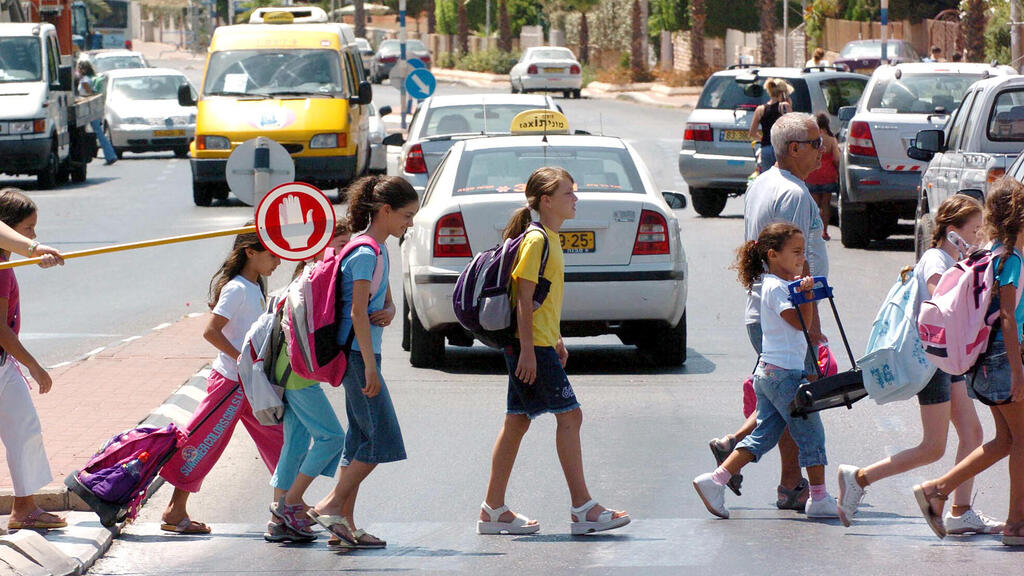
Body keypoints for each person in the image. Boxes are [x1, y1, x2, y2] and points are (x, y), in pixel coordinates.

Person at [476, 167, 630, 537]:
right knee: (570, 416)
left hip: (540, 343)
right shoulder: (536, 240)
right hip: (530, 346)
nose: (575, 199)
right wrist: (529, 350)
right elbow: (523, 300)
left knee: (517, 422)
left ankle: (492, 511)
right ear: (546, 200)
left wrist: (556, 337)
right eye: (568, 193)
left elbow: (543, 299)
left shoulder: (550, 238)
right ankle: (583, 509)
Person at [836, 195, 1002, 534]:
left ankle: (960, 510)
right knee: (933, 447)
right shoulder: (935, 259)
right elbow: (942, 303)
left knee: (972, 433)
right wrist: (971, 270)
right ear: (953, 231)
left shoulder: (951, 258)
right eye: (974, 229)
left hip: (947, 360)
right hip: (931, 362)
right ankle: (859, 478)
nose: (980, 235)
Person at [709, 112, 829, 508]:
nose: (823, 151)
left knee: (781, 409)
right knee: (799, 407)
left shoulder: (763, 182)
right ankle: (791, 485)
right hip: (785, 313)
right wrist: (811, 325)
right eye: (816, 144)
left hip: (766, 309)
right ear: (794, 148)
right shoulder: (794, 193)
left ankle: (734, 463)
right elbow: (795, 261)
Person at [694, 223, 838, 519]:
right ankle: (820, 497)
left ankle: (716, 480)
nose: (801, 259)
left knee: (764, 435)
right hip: (783, 375)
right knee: (811, 434)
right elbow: (801, 324)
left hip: (772, 373)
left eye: (802, 252)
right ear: (773, 255)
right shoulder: (775, 287)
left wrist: (801, 291)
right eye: (795, 252)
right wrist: (807, 296)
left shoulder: (780, 285)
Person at [306, 176, 418, 549]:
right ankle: (330, 505)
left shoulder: (378, 250)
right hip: (358, 356)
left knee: (358, 440)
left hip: (365, 352)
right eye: (406, 215)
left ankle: (344, 527)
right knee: (381, 439)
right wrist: (370, 367)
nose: (411, 223)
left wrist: (388, 309)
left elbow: (378, 304)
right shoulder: (366, 252)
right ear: (385, 211)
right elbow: (355, 312)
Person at [913, 178, 1024, 546]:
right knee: (1021, 440)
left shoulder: (993, 250)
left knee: (1006, 440)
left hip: (987, 360)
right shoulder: (1011, 258)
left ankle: (938, 489)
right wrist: (1018, 371)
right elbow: (1006, 316)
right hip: (1002, 361)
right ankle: (1016, 525)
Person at [158, 229, 284, 534]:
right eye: (272, 254)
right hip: (230, 384)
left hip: (249, 385)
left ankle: (289, 506)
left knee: (280, 441)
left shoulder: (254, 287)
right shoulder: (237, 289)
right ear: (250, 252)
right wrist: (243, 358)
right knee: (203, 443)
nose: (278, 261)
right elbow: (211, 331)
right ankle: (175, 511)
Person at [267, 222, 353, 543]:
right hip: (299, 375)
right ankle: (290, 505)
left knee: (295, 444)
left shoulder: (306, 276)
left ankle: (278, 518)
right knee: (332, 438)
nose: (345, 250)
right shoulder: (319, 277)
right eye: (340, 243)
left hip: (287, 371)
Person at [0, 189, 67, 532]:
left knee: (24, 430)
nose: (34, 235)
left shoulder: (6, 263)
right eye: (28, 229)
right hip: (5, 358)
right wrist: (34, 366)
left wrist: (33, 249)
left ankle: (23, 508)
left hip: (2, 366)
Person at [805, 113, 840, 240]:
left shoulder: (811, 139)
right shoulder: (831, 140)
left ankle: (813, 230)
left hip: (812, 174)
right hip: (828, 175)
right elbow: (836, 159)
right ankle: (824, 231)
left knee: (814, 204)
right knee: (825, 203)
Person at [76, 61, 117, 166]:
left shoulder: (85, 80)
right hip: (90, 108)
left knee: (98, 132)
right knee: (99, 132)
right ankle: (110, 155)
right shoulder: (87, 79)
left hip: (88, 109)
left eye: (79, 69)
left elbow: (89, 93)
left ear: (83, 70)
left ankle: (110, 155)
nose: (78, 71)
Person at [748, 79, 793, 174]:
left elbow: (752, 132)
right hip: (781, 148)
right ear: (783, 93)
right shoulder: (785, 106)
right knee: (783, 177)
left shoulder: (760, 109)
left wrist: (763, 139)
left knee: (766, 177)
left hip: (766, 147)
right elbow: (792, 127)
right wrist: (790, 105)